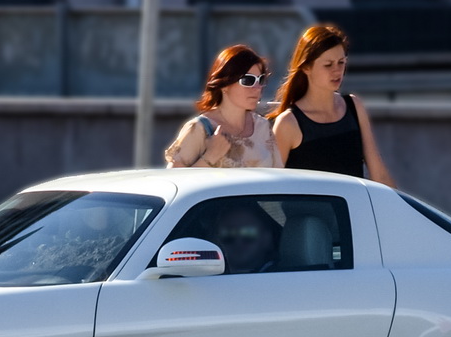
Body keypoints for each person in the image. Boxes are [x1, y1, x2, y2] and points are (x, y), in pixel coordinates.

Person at [271, 25, 395, 186]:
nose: (337, 71)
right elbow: (271, 189)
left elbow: (379, 173)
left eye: (341, 62)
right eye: (328, 65)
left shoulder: (354, 106)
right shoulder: (288, 123)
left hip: (353, 209)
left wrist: (403, 208)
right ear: (306, 67)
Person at [165, 44, 282, 169]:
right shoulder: (199, 129)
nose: (257, 88)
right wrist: (210, 156)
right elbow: (175, 182)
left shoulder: (263, 127)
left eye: (261, 80)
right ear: (225, 84)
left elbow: (279, 179)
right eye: (248, 80)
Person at [214, 202, 281, 274]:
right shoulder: (208, 277)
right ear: (218, 240)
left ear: (266, 238)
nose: (238, 242)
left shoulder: (278, 276)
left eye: (248, 233)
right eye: (229, 234)